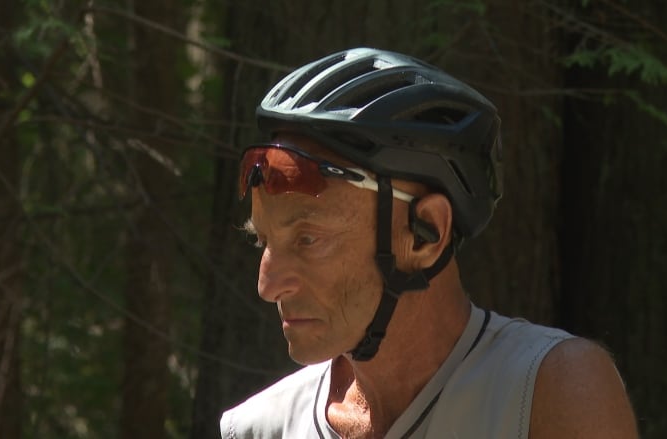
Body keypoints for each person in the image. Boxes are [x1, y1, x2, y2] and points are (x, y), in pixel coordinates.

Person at [220, 48, 637, 439]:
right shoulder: (258, 427)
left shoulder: (550, 392)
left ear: (428, 233)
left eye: (308, 239)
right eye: (263, 241)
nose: (268, 285)